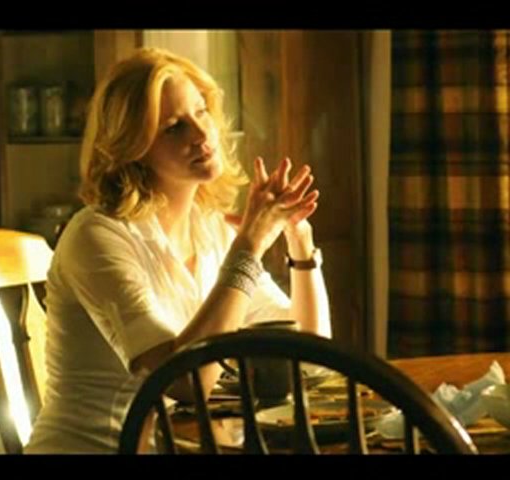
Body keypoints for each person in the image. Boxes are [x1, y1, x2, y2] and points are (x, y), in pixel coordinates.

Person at [24, 47, 331, 454]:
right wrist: (250, 247)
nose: (202, 134)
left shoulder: (210, 229)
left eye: (201, 111)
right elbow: (185, 382)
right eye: (173, 127)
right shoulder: (95, 236)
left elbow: (308, 352)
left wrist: (301, 247)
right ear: (133, 148)